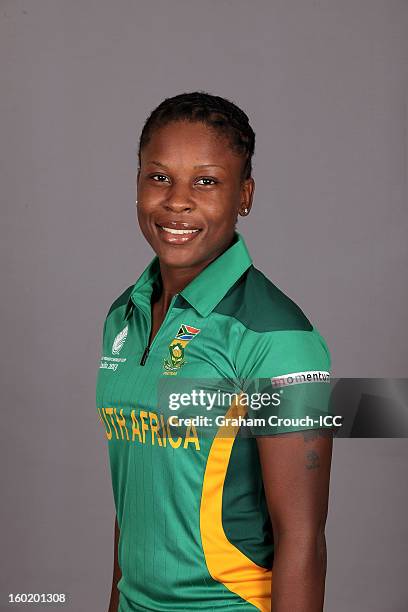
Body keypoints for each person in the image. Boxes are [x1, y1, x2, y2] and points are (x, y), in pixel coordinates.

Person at [96, 91, 333, 612]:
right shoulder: (124, 315)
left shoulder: (277, 338)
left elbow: (302, 540)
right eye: (159, 177)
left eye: (206, 181)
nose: (177, 201)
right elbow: (136, 503)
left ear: (244, 195)